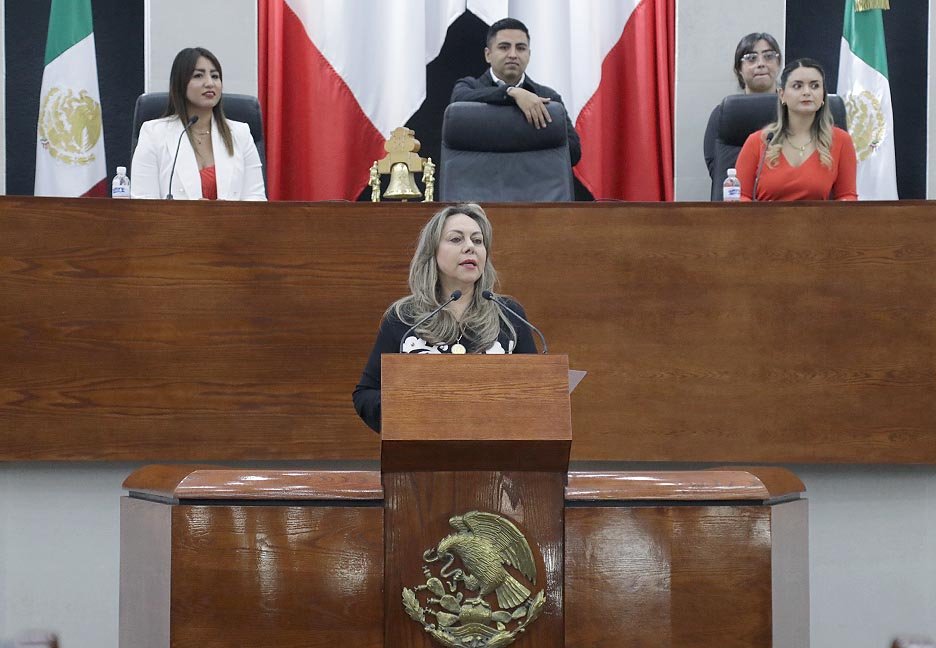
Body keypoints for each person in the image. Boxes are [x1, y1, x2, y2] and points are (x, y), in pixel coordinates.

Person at [353, 204, 538, 433]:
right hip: (421, 452)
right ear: (433, 251)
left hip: (496, 456)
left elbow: (536, 392)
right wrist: (407, 409)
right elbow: (366, 394)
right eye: (456, 239)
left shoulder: (508, 314)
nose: (470, 247)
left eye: (478, 241)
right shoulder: (404, 317)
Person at [131, 47, 266, 200]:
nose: (209, 83)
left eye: (215, 76)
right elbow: (143, 205)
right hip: (174, 224)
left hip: (230, 224)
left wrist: (227, 214)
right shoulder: (154, 133)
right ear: (180, 83)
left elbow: (256, 201)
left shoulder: (241, 134)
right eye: (198, 76)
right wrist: (194, 215)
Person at [450, 18, 581, 167]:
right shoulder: (469, 87)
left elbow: (573, 152)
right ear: (488, 54)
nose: (513, 54)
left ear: (529, 54)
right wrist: (511, 92)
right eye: (504, 47)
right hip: (479, 182)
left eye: (520, 48)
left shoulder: (547, 97)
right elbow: (458, 100)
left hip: (534, 184)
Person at [734, 58, 857, 201]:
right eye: (797, 86)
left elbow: (847, 197)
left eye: (815, 86)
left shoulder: (841, 141)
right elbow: (739, 197)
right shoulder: (758, 141)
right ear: (782, 95)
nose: (807, 92)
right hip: (766, 222)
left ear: (823, 94)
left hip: (819, 222)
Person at [703, 33, 783, 199]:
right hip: (738, 208)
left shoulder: (794, 113)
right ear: (739, 69)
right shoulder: (723, 114)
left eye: (768, 56)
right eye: (751, 58)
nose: (761, 64)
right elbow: (718, 174)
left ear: (779, 64)